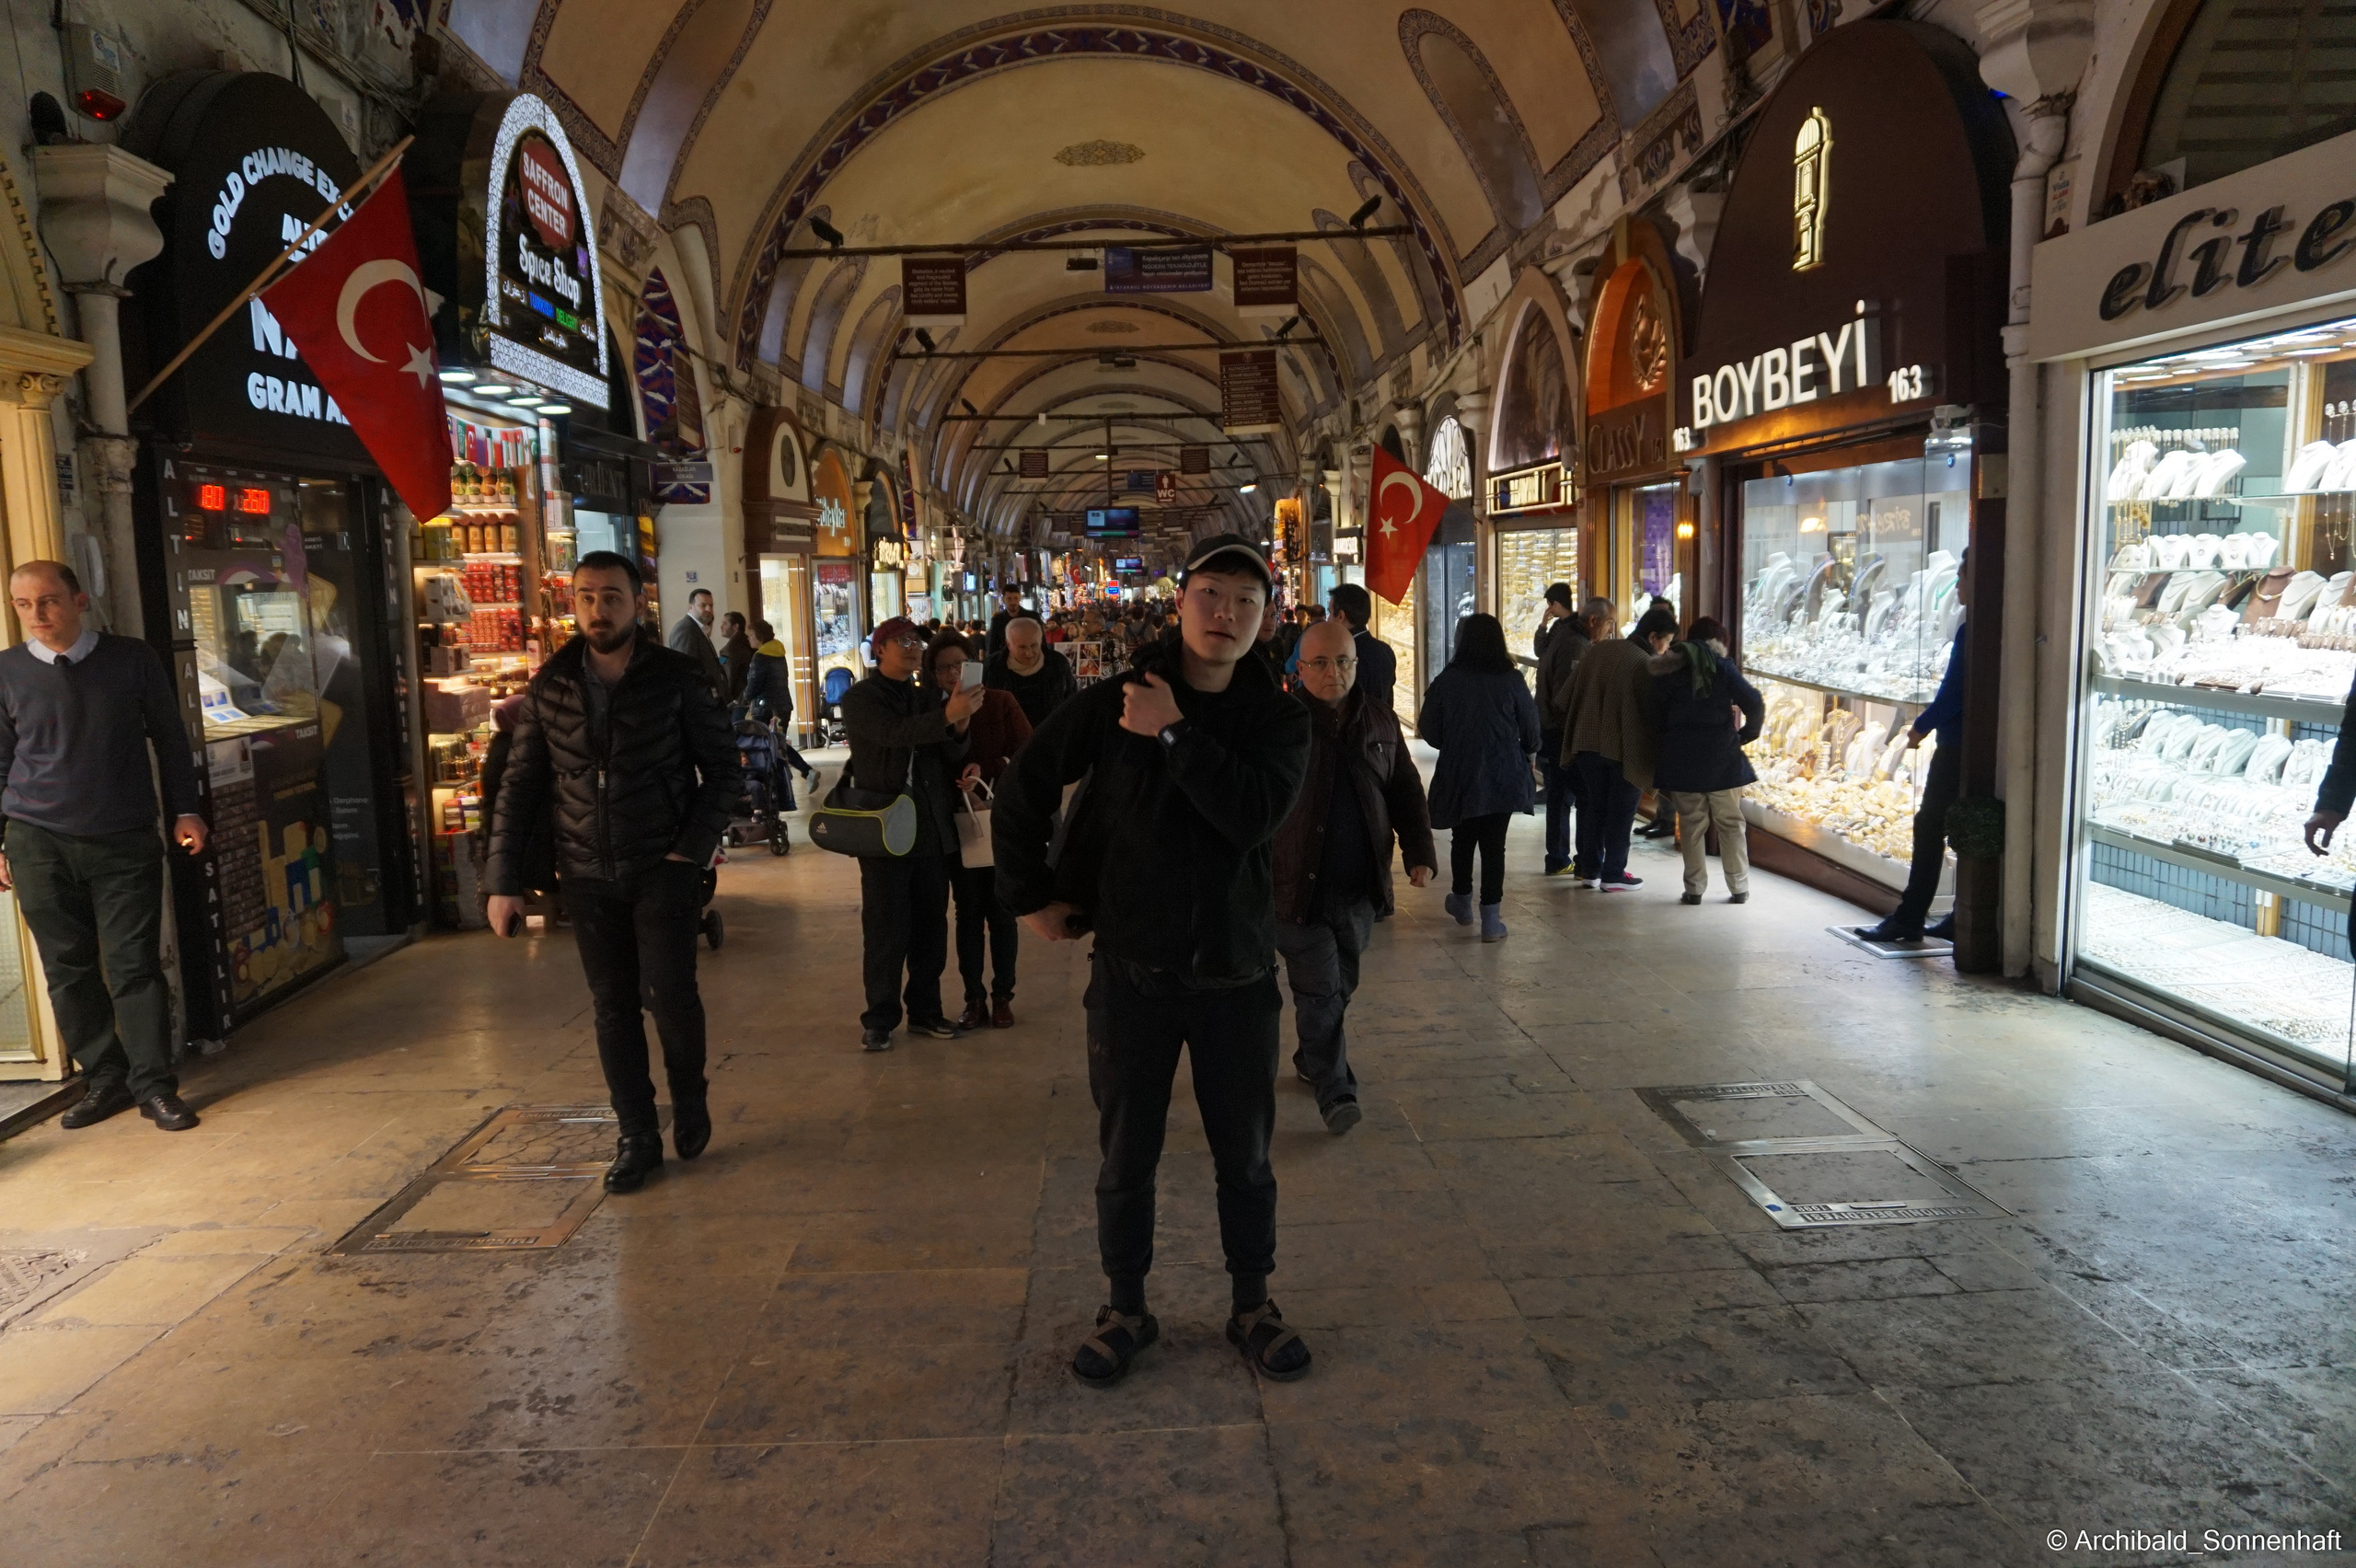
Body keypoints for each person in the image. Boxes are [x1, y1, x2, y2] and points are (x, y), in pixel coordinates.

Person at [994, 533, 1313, 1389]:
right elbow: (1024, 780)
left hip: (1238, 976)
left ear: (1266, 616)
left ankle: (1253, 1303)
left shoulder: (1279, 719)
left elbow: (1249, 816)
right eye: (1213, 594)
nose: (1227, 614)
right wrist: (1028, 894)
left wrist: (1173, 733)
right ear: (1181, 602)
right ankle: (1125, 1306)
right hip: (1133, 970)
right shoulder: (1110, 704)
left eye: (1247, 601)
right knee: (1125, 1154)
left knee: (1244, 1155)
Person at [488, 552, 742, 1192]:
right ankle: (636, 1135)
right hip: (585, 870)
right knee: (612, 1006)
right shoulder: (552, 684)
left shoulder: (676, 677)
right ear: (571, 604)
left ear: (638, 603)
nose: (598, 610)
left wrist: (690, 849)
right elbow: (519, 787)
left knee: (670, 997)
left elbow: (725, 771)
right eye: (586, 597)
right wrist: (502, 881)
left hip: (663, 864)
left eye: (612, 598)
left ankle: (688, 1097)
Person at [0, 560, 207, 1132]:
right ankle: (105, 1079)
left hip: (123, 836)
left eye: (48, 601)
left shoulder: (131, 659)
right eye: (23, 605)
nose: (37, 615)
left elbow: (169, 736)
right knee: (66, 967)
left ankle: (154, 1085)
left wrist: (186, 810)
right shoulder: (6, 671)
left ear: (79, 599)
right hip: (36, 839)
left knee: (134, 964)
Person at [1273, 619, 1435, 1131]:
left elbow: (1406, 789)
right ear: (1299, 669)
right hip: (1296, 887)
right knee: (1319, 989)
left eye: (1342, 661)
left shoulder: (1379, 720)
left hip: (1359, 889)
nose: (1332, 672)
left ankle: (1310, 1056)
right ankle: (1334, 1089)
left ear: (1356, 664)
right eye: (1319, 662)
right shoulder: (1278, 725)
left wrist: (1418, 852)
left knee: (1341, 984)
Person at [844, 616, 986, 1049]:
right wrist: (948, 714)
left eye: (916, 642)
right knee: (886, 930)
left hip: (930, 828)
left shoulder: (925, 697)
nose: (911, 648)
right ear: (880, 649)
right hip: (885, 830)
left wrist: (960, 729)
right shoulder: (860, 698)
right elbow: (894, 735)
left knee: (930, 930)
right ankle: (880, 1020)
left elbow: (946, 752)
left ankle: (925, 1011)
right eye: (901, 641)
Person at [927, 630, 1031, 1031]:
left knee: (1003, 913)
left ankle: (1003, 995)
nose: (954, 675)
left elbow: (1028, 752)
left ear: (976, 665)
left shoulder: (1001, 702)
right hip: (957, 826)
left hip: (1000, 824)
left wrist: (987, 773)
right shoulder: (935, 712)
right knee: (967, 914)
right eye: (943, 668)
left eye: (960, 665)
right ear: (933, 675)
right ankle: (974, 999)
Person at [1860, 566, 1969, 943]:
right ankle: (1957, 915)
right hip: (1971, 744)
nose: (1957, 586)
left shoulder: (1971, 631)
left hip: (1957, 746)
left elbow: (1953, 693)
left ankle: (1911, 916)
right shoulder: (1983, 627)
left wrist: (1920, 727)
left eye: (1963, 577)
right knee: (1956, 827)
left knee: (1930, 825)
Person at [1416, 614, 1542, 942]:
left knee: (1463, 836)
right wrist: (1528, 755)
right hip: (1503, 770)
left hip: (1460, 769)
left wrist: (1455, 741)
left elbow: (1428, 727)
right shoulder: (1511, 679)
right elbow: (1530, 726)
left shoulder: (1448, 679)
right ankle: (1491, 919)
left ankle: (1461, 902)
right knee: (1493, 846)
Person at [1650, 617, 1764, 905]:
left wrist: (1668, 741)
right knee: (1730, 823)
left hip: (1682, 758)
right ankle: (1739, 887)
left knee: (1691, 825)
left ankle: (1695, 889)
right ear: (1718, 642)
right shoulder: (1722, 668)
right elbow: (1754, 701)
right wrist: (1745, 735)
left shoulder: (1668, 670)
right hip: (1721, 758)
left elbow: (1654, 715)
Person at [1564, 606, 1676, 891]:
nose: (1666, 650)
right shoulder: (1646, 663)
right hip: (1623, 750)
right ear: (1653, 637)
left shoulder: (1600, 649)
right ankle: (1614, 873)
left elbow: (1566, 695)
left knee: (1593, 809)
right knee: (1621, 812)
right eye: (1666, 642)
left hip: (1586, 744)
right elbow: (1653, 715)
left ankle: (1589, 870)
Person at [1534, 595, 1607, 876]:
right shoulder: (1576, 645)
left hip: (1556, 731)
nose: (1609, 630)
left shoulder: (1565, 636)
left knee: (1559, 796)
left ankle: (1560, 858)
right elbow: (1567, 697)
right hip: (1566, 734)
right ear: (1593, 620)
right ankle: (1581, 861)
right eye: (1609, 623)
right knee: (1583, 797)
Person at [741, 619, 817, 791]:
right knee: (778, 743)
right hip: (783, 705)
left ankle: (776, 784)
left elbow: (754, 685)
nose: (748, 639)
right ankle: (805, 772)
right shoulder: (778, 653)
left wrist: (742, 699)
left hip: (765, 708)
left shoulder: (760, 657)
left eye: (751, 635)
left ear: (759, 636)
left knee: (770, 745)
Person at [985, 616, 1078, 728]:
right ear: (1008, 645)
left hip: (1051, 736)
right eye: (1022, 647)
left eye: (1034, 645)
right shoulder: (992, 667)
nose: (1029, 653)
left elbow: (1072, 700)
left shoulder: (1057, 663)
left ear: (1041, 641)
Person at [1327, 582, 1395, 715]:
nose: (1328, 619)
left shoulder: (1343, 655)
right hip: (1383, 727)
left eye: (1330, 613)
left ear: (1341, 616)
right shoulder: (1385, 650)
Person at [668, 587, 728, 698]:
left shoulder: (697, 628)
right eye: (703, 605)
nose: (709, 609)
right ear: (691, 606)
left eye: (711, 605)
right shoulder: (686, 630)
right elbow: (687, 671)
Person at [716, 610, 754, 706]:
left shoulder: (727, 651)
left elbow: (728, 677)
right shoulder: (751, 643)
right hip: (752, 697)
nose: (721, 627)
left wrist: (727, 701)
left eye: (725, 623)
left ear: (735, 626)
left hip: (738, 700)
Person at [1532, 582, 1576, 662]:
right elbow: (1539, 651)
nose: (1549, 609)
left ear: (1556, 604)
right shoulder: (1558, 624)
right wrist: (1543, 624)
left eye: (1549, 605)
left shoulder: (1573, 628)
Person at [987, 585, 1032, 659]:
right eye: (1009, 599)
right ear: (1003, 599)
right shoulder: (997, 620)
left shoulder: (1031, 617)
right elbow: (993, 646)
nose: (1013, 602)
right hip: (1006, 661)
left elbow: (1041, 643)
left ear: (1019, 598)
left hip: (1029, 659)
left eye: (1015, 598)